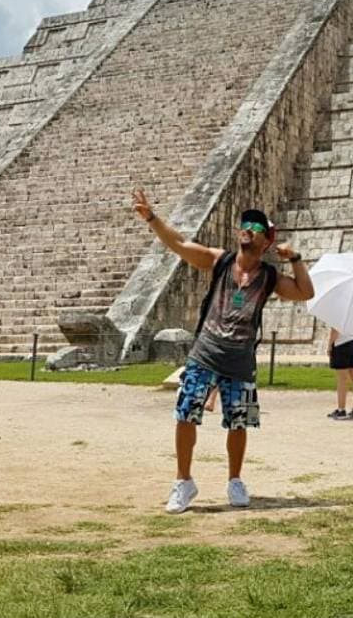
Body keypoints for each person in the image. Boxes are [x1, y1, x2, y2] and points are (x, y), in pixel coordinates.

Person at [133, 190, 314, 513]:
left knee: (238, 422)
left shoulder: (269, 277)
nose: (248, 228)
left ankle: (235, 480)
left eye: (256, 226)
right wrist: (151, 218)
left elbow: (304, 292)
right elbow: (180, 245)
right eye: (246, 223)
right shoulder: (221, 260)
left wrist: (296, 259)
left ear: (266, 242)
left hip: (240, 359)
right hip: (205, 352)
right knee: (186, 414)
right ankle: (183, 481)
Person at [326, 327, 353, 419]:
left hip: (341, 344)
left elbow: (335, 330)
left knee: (342, 379)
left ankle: (341, 410)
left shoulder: (337, 313)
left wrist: (329, 345)